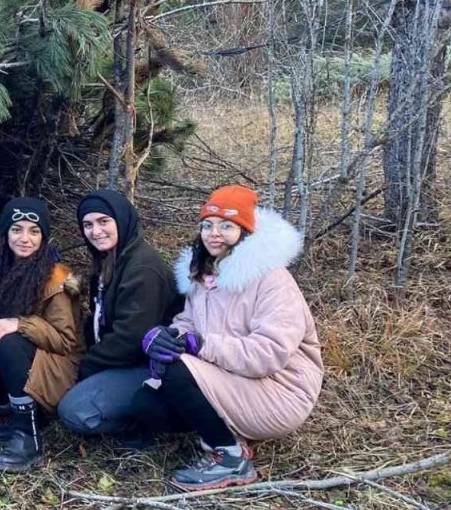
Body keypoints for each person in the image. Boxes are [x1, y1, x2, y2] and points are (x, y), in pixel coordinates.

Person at [132, 185, 322, 490]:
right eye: (207, 225)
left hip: (280, 390)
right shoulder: (204, 275)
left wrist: (202, 346)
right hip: (234, 377)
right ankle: (234, 433)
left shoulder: (273, 280)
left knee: (178, 372)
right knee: (146, 404)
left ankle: (231, 459)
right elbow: (187, 322)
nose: (213, 233)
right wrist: (165, 336)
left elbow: (268, 354)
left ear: (245, 231)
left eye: (226, 225)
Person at [0, 198, 83, 472]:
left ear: (44, 237)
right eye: (17, 229)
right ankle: (24, 416)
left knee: (11, 341)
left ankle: (29, 436)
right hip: (24, 362)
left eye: (34, 231)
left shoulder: (56, 278)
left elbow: (65, 341)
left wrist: (21, 323)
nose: (24, 238)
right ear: (6, 233)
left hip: (58, 367)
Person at [57, 189, 181, 441]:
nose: (96, 231)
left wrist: (86, 365)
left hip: (152, 365)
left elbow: (131, 337)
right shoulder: (108, 261)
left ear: (121, 221)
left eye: (104, 222)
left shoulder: (142, 268)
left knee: (74, 410)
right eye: (88, 225)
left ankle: (147, 419)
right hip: (124, 360)